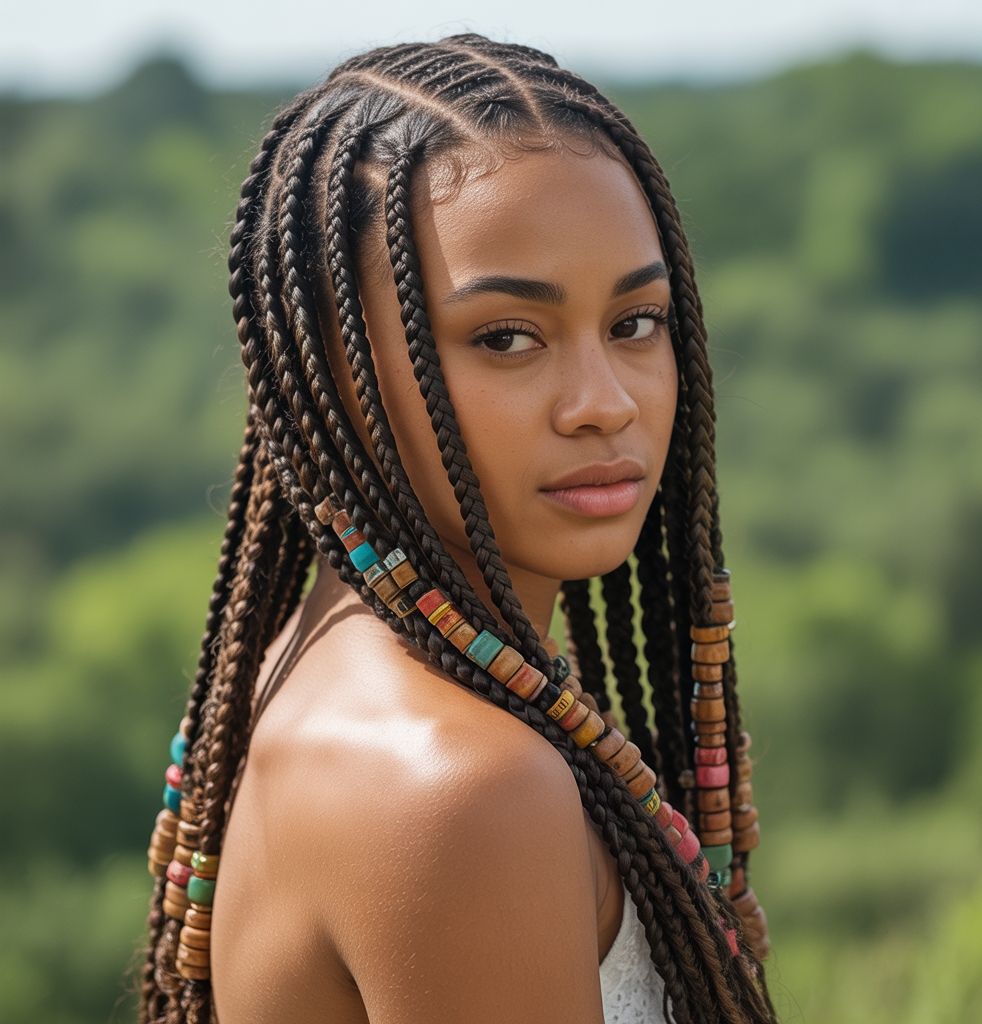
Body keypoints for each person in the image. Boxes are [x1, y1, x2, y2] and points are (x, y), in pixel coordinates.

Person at [139, 34, 775, 1024]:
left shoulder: (324, 671)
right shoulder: (463, 786)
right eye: (506, 337)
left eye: (635, 323)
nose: (603, 403)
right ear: (337, 374)